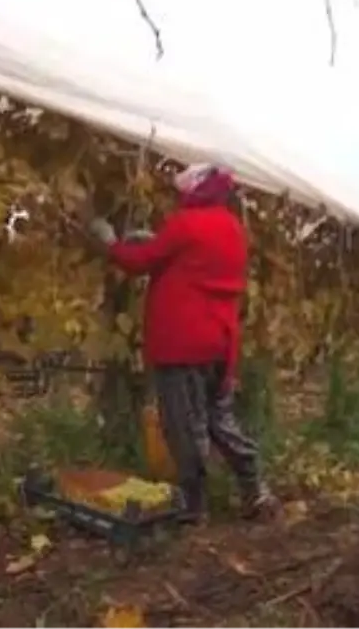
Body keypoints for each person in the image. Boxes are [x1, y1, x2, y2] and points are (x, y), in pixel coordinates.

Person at [88, 163, 280, 523]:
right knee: (219, 419)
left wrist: (110, 242)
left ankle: (195, 506)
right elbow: (186, 262)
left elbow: (139, 262)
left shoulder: (185, 223)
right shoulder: (233, 228)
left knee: (184, 425)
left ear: (196, 191)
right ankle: (255, 487)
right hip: (220, 341)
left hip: (181, 343)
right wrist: (158, 241)